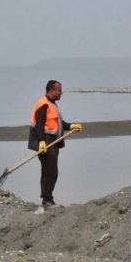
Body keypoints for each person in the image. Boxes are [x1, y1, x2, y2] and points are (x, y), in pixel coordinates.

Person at [28, 79, 82, 208]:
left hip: (52, 142)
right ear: (51, 91)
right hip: (46, 143)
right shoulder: (44, 105)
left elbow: (59, 123)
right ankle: (47, 200)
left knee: (50, 171)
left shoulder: (52, 104)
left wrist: (71, 125)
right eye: (59, 91)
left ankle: (48, 198)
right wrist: (41, 141)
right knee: (50, 172)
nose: (61, 93)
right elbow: (39, 126)